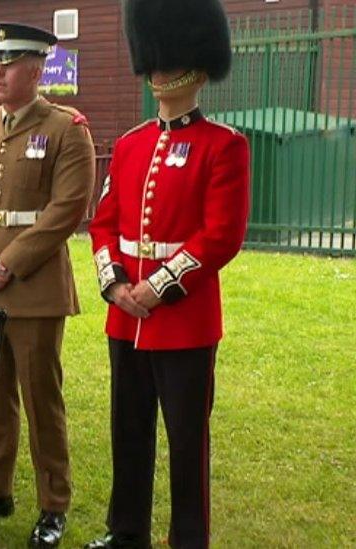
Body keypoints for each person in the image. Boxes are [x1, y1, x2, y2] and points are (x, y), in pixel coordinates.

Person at [84, 1, 249, 547]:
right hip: (125, 318)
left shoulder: (224, 146)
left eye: (167, 59)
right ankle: (126, 531)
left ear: (197, 68)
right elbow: (103, 222)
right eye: (152, 58)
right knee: (128, 434)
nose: (157, 70)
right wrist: (116, 286)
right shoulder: (131, 145)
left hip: (184, 321)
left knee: (185, 442)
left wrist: (157, 288)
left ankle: (188, 539)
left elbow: (221, 236)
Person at [0, 23, 95, 548]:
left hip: (32, 288)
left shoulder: (66, 128)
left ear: (36, 69)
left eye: (9, 64)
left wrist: (8, 261)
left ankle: (54, 503)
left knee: (40, 397)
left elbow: (67, 208)